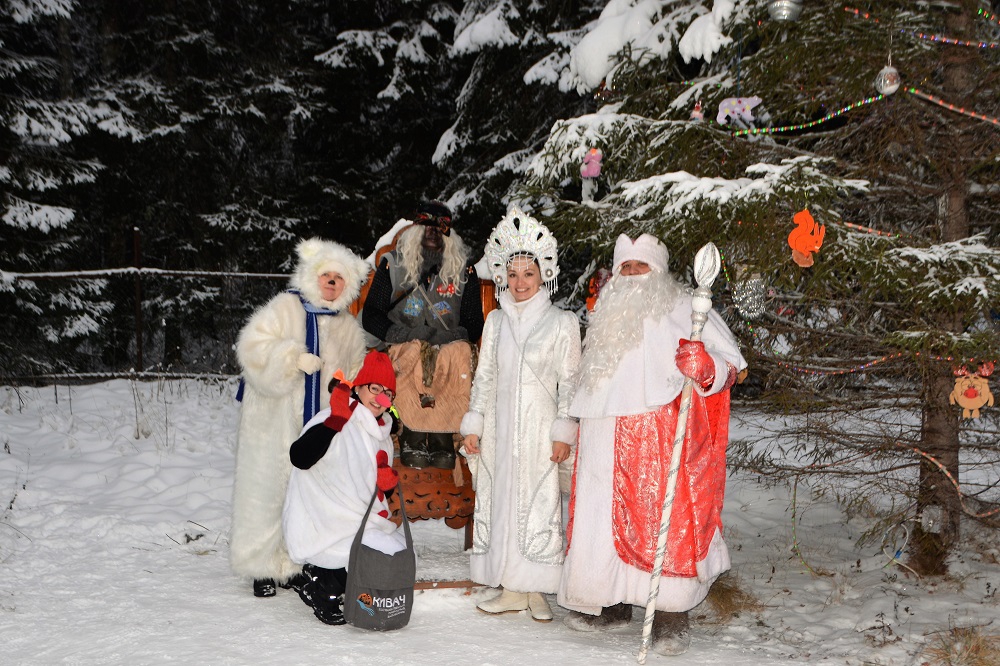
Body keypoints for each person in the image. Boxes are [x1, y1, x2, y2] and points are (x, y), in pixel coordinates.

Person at [558, 233, 747, 656]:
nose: (631, 274)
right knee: (598, 519)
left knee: (661, 521)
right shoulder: (603, 313)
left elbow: (733, 364)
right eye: (625, 266)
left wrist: (706, 367)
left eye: (640, 266)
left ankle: (669, 614)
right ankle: (607, 601)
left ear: (658, 270)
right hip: (603, 432)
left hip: (659, 436)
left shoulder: (685, 305)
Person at [459, 207, 581, 623]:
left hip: (539, 430)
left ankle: (537, 589)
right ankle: (512, 588)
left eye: (528, 274)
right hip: (498, 427)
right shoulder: (494, 322)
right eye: (513, 275)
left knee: (538, 503)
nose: (520, 282)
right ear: (503, 277)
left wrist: (563, 432)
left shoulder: (563, 323)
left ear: (542, 273)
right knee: (502, 501)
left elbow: (570, 383)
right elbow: (485, 377)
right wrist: (474, 424)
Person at [230, 238, 369, 598]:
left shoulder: (347, 326)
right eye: (326, 276)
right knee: (267, 489)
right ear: (311, 275)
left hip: (318, 426)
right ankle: (260, 567)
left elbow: (356, 371)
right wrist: (292, 358)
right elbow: (251, 346)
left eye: (339, 278)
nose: (332, 283)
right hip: (273, 418)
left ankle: (293, 564)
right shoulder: (285, 307)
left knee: (306, 494)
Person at [282, 349, 404, 625]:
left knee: (390, 554)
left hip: (361, 516)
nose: (380, 398)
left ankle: (325, 578)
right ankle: (321, 585)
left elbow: (368, 487)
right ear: (358, 387)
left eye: (388, 393)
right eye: (374, 388)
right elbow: (300, 457)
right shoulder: (337, 415)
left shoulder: (382, 431)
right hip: (326, 515)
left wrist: (386, 488)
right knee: (366, 557)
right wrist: (335, 423)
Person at [362, 200, 484, 469]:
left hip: (449, 348)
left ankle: (443, 436)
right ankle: (412, 435)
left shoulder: (465, 271)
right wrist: (406, 334)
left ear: (449, 234)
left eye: (439, 227)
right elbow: (371, 315)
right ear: (415, 229)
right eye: (426, 225)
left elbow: (475, 322)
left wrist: (450, 337)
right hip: (403, 344)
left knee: (458, 354)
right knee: (412, 351)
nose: (432, 232)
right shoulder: (392, 264)